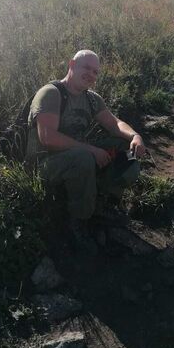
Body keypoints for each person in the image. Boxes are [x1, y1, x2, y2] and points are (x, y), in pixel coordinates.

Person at [26, 49, 146, 249]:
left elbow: (115, 124)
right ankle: (79, 220)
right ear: (72, 65)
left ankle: (102, 201)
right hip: (44, 165)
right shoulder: (51, 93)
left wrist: (135, 136)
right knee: (83, 157)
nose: (91, 74)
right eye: (86, 68)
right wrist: (91, 150)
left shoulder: (91, 99)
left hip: (80, 158)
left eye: (95, 72)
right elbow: (47, 137)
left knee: (127, 148)